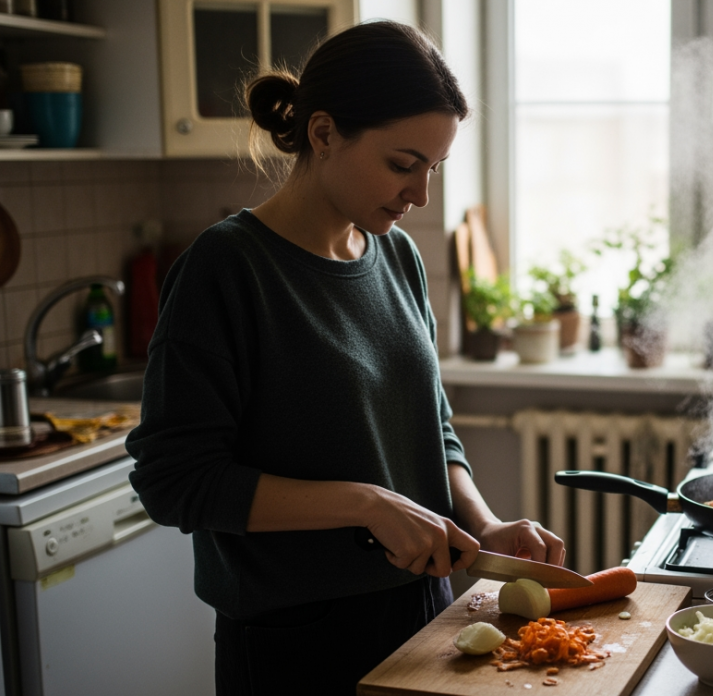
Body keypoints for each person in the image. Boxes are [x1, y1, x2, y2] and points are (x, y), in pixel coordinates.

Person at [125, 21, 564, 696]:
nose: (420, 194)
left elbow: (430, 424)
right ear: (324, 133)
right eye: (402, 163)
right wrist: (366, 504)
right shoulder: (228, 268)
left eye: (433, 168)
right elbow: (174, 479)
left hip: (423, 609)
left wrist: (483, 522)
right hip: (293, 640)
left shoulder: (397, 256)